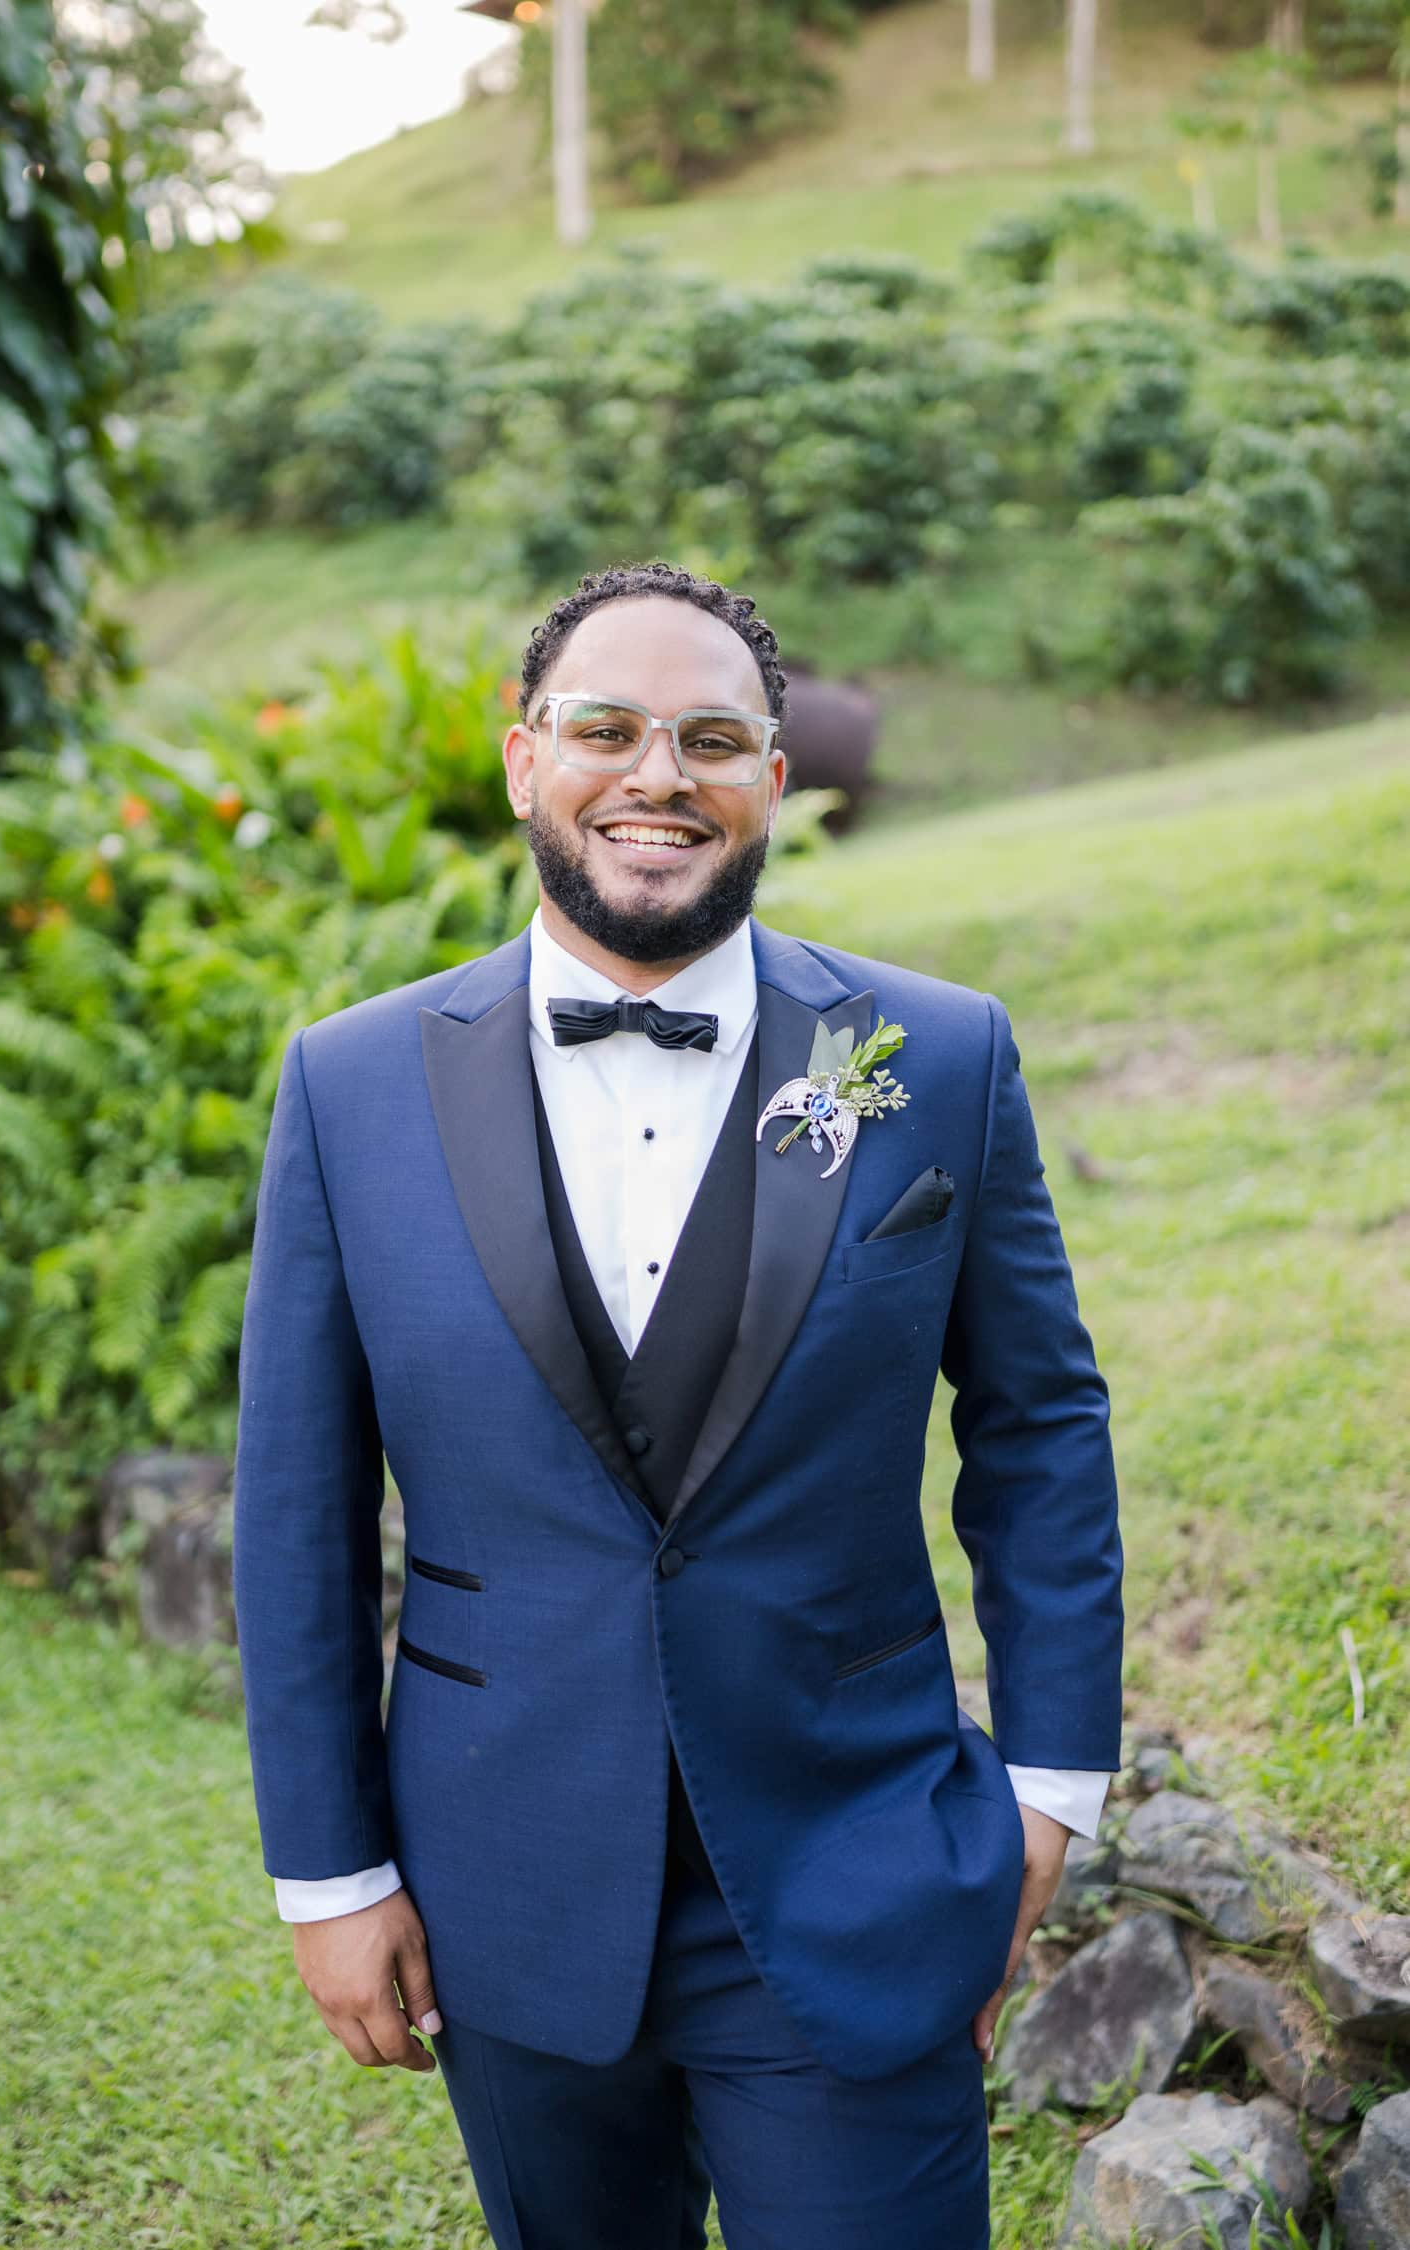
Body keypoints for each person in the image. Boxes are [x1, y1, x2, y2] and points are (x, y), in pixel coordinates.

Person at [232, 559, 1124, 2250]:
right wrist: (332, 1874)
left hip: (859, 1857)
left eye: (714, 738)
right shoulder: (348, 1083)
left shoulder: (938, 1058)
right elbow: (294, 1504)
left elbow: (1039, 1427)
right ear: (522, 758)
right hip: (501, 1881)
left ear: (775, 781)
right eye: (609, 728)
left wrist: (1053, 1784)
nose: (660, 775)